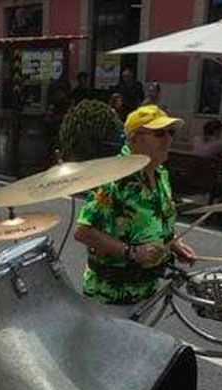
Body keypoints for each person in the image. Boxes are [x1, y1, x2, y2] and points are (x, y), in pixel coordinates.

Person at [73, 105, 197, 318]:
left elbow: (157, 220)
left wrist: (175, 243)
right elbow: (83, 232)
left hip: (147, 290)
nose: (168, 139)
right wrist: (132, 252)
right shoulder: (113, 179)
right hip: (112, 298)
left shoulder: (160, 174)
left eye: (171, 132)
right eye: (159, 133)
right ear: (133, 139)